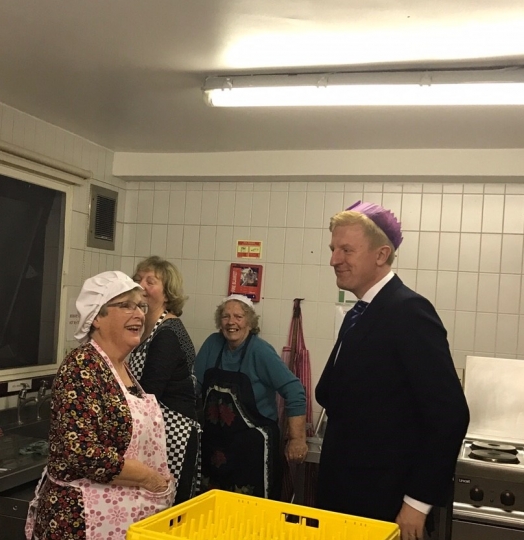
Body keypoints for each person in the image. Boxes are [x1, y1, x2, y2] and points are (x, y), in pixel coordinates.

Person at [315, 201, 469, 540]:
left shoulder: (409, 311)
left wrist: (417, 503)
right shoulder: (361, 313)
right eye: (332, 249)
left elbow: (450, 415)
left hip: (383, 504)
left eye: (346, 250)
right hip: (345, 496)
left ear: (381, 254)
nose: (334, 259)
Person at [25, 271, 174, 540]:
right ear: (97, 317)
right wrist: (149, 479)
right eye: (126, 305)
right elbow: (83, 453)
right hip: (81, 519)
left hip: (120, 517)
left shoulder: (120, 369)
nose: (139, 314)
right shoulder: (82, 366)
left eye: (140, 306)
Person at [194, 295, 308, 499]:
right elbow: (195, 386)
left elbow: (295, 391)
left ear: (249, 321)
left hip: (254, 451)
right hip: (216, 447)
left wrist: (297, 439)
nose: (231, 322)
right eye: (226, 316)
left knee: (252, 512)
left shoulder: (260, 351)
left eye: (238, 316)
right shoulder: (212, 344)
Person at [129, 256, 200, 504]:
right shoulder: (146, 329)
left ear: (167, 293)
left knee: (167, 509)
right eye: (138, 280)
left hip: (172, 433)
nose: (142, 286)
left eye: (151, 281)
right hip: (155, 429)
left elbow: (150, 392)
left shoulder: (167, 333)